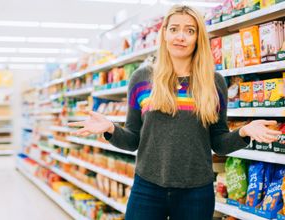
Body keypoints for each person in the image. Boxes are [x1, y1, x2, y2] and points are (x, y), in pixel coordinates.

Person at [69, 5, 281, 220]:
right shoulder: (142, 79)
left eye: (190, 30)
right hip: (147, 188)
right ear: (164, 33)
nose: (181, 37)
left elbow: (219, 142)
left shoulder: (213, 82)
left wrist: (243, 132)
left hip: (196, 192)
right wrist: (110, 129)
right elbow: (133, 140)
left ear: (198, 37)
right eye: (174, 29)